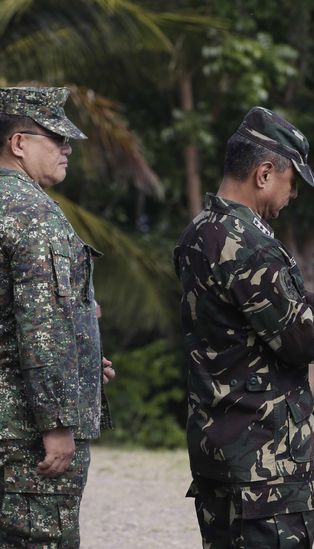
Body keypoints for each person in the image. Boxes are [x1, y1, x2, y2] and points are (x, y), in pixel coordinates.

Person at [173, 106, 314, 548]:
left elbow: (245, 312)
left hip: (218, 451)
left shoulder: (201, 231)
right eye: (293, 183)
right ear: (265, 173)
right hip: (264, 464)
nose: (293, 196)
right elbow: (299, 340)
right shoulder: (250, 242)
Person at [0, 86, 112, 547]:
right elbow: (41, 327)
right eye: (55, 137)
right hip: (23, 434)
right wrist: (57, 424)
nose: (68, 147)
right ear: (19, 143)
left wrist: (86, 361)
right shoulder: (32, 213)